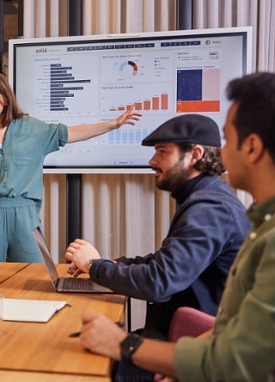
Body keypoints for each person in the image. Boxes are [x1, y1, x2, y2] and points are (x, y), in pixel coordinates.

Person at [76, 72, 275, 381]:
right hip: (185, 341)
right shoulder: (218, 204)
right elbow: (235, 324)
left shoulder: (212, 208)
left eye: (228, 138)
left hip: (179, 338)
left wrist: (124, 344)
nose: (152, 161)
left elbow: (238, 356)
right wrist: (111, 265)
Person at [0, 70, 141, 262]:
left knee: (35, 277)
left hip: (25, 215)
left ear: (5, 99)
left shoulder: (30, 128)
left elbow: (70, 133)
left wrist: (114, 124)